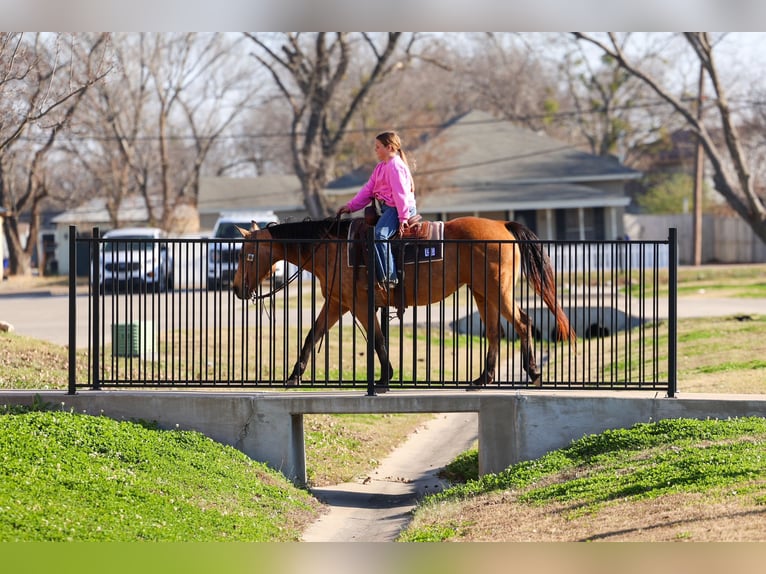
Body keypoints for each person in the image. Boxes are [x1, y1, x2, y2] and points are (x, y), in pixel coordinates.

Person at [336, 131, 417, 290]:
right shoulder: (381, 167)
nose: (376, 150)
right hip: (390, 209)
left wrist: (403, 219)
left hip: (398, 209)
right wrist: (351, 206)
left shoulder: (395, 166)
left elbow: (400, 195)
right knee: (370, 235)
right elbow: (368, 189)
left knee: (380, 235)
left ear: (390, 147)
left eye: (378, 147)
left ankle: (390, 278)